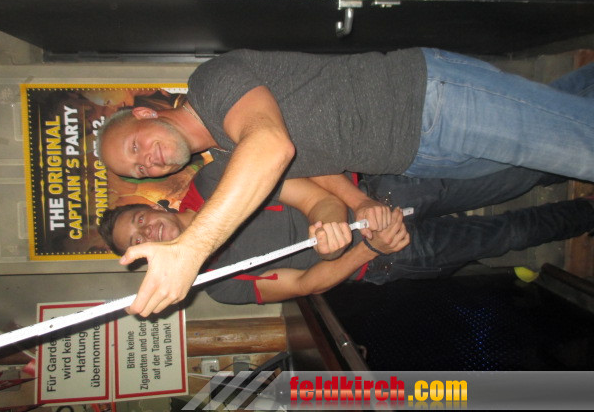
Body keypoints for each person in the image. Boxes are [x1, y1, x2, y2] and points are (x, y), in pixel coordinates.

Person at [97, 50, 594, 315]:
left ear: (145, 114)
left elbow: (275, 148)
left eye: (136, 147)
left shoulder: (211, 91)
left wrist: (192, 251)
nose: (147, 162)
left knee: (565, 143)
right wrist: (359, 233)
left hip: (422, 108)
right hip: (408, 159)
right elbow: (311, 229)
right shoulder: (226, 151)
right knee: (538, 149)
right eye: (137, 169)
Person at [99, 162, 594, 305]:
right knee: (503, 236)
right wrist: (368, 248)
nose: (146, 230)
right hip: (382, 258)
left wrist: (356, 212)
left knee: (501, 178)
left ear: (152, 205)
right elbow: (305, 283)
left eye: (139, 220)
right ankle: (586, 214)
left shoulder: (212, 183)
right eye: (136, 241)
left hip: (376, 194)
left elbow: (309, 194)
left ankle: (573, 158)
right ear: (144, 257)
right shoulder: (219, 287)